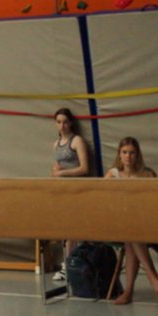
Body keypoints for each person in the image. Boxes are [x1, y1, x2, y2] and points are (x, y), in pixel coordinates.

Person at [105, 137, 158, 305]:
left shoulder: (147, 174)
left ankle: (129, 291)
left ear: (137, 155)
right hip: (118, 223)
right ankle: (153, 278)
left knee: (131, 238)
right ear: (119, 154)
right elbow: (104, 201)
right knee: (130, 233)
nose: (128, 156)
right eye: (124, 152)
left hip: (144, 223)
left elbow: (156, 202)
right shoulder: (112, 175)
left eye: (132, 153)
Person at [49, 108, 92, 286]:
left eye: (65, 122)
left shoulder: (77, 141)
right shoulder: (56, 144)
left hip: (77, 189)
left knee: (73, 228)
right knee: (65, 228)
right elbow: (57, 166)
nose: (62, 125)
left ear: (71, 123)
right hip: (63, 190)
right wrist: (56, 171)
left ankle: (69, 264)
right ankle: (67, 262)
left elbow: (84, 168)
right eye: (59, 122)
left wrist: (63, 173)